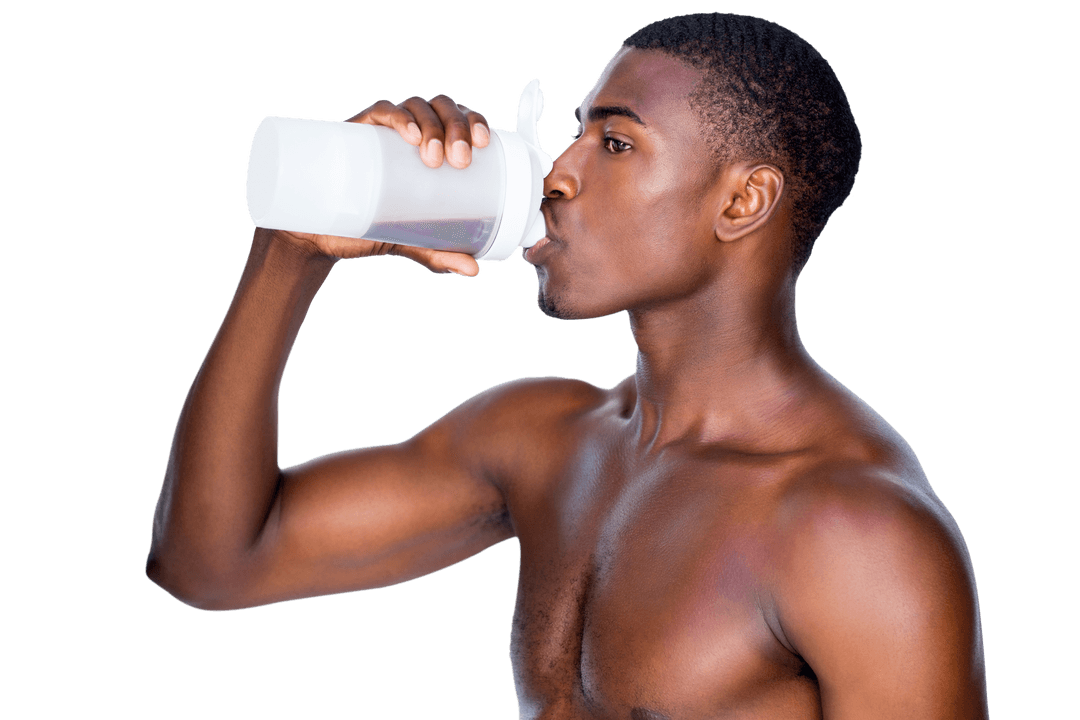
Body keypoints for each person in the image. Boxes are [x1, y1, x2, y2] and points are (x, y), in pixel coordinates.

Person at [146, 13, 989, 719]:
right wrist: (294, 250)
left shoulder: (855, 531)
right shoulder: (546, 441)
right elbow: (210, 562)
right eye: (576, 134)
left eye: (615, 143)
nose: (558, 175)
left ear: (742, 201)